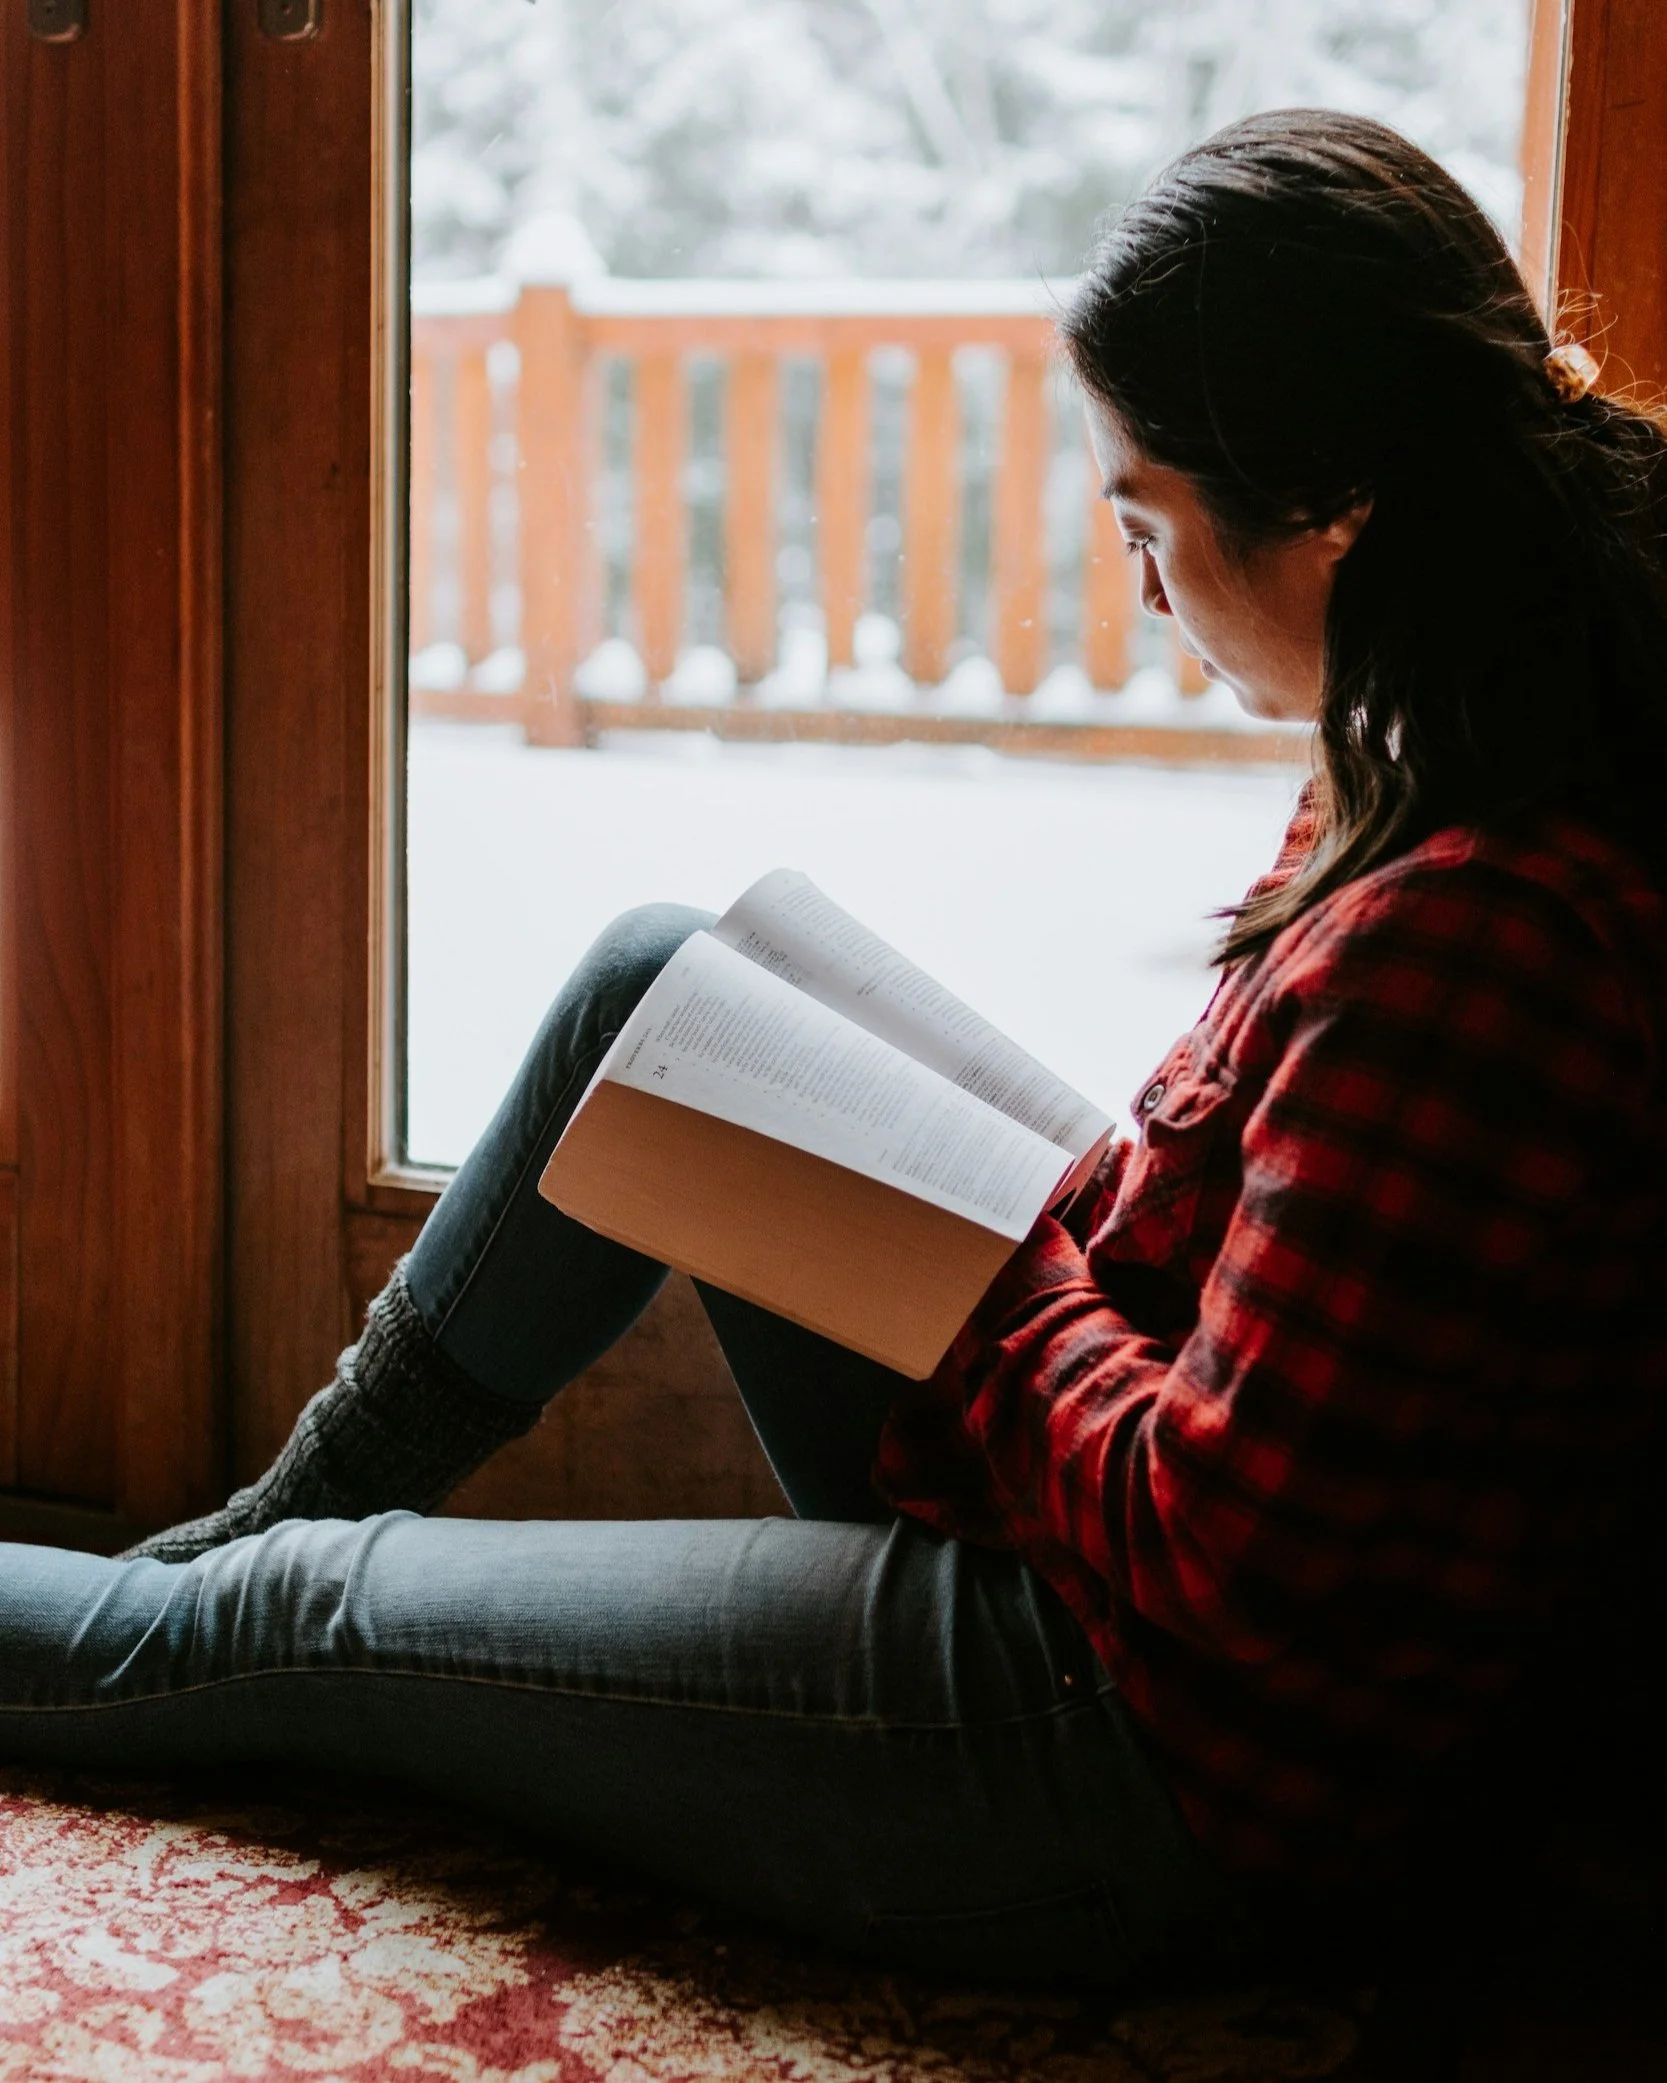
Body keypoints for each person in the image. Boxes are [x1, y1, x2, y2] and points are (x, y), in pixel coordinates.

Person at [3, 109, 1664, 1993]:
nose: (1134, 587)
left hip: (1144, 1757)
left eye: (1146, 524)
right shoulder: (1446, 742)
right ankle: (211, 1572)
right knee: (661, 983)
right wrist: (1007, 1218)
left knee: (311, 1622)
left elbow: (1225, 1558)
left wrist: (991, 1266)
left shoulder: (1478, 940)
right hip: (1099, 1582)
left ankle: (202, 1615)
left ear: (1337, 506)